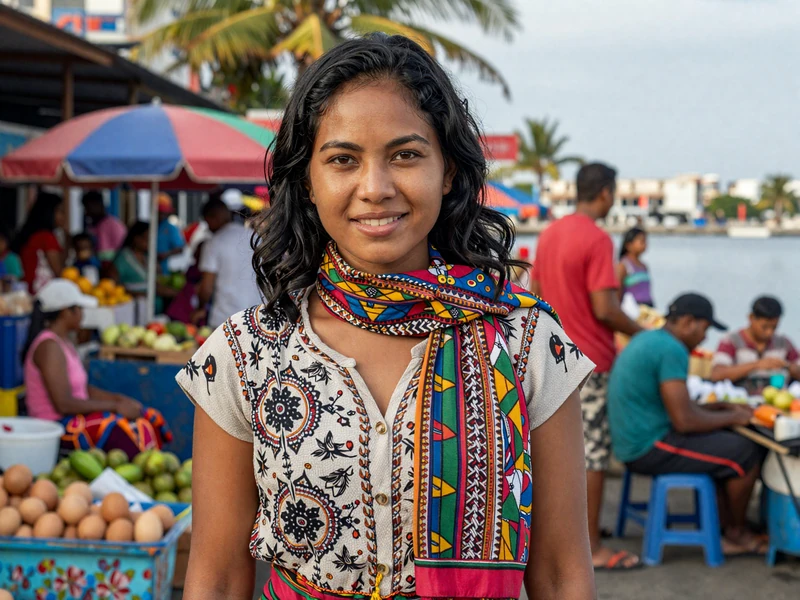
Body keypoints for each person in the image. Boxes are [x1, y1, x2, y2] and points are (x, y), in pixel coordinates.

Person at [175, 34, 595, 600]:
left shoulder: (527, 344)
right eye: (343, 160)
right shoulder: (244, 355)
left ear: (447, 172)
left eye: (406, 155)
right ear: (308, 180)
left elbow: (562, 572)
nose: (375, 189)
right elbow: (219, 579)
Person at [530, 162, 643, 570]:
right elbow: (604, 307)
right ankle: (590, 547)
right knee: (592, 455)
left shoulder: (550, 234)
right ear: (607, 194)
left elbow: (535, 295)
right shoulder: (597, 239)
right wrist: (643, 332)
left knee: (555, 456)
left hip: (554, 360)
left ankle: (557, 542)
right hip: (591, 363)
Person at [608, 293, 767, 555]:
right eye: (704, 329)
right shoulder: (672, 349)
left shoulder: (649, 338)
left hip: (632, 440)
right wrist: (734, 416)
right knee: (745, 452)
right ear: (688, 322)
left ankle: (724, 524)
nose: (705, 338)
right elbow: (684, 421)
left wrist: (718, 408)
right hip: (648, 446)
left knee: (725, 440)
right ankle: (735, 534)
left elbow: (678, 407)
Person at [22, 279, 172, 457]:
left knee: (147, 417)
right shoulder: (49, 346)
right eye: (79, 309)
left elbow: (82, 389)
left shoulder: (64, 342)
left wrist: (120, 400)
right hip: (55, 427)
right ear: (66, 312)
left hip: (71, 417)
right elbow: (64, 404)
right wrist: (115, 407)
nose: (82, 315)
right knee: (122, 430)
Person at [711, 296, 800, 394]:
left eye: (774, 327)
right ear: (751, 318)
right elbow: (717, 374)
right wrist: (756, 365)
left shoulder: (784, 343)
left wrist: (788, 367)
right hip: (738, 404)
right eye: (764, 327)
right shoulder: (731, 341)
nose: (769, 332)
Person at [197, 194, 262, 328]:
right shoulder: (255, 238)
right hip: (258, 317)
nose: (207, 226)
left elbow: (206, 287)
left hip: (226, 320)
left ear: (212, 217)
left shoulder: (213, 243)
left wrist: (200, 307)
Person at [12, 192, 66, 294]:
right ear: (49, 212)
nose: (63, 217)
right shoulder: (46, 237)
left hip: (26, 290)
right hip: (40, 292)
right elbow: (59, 271)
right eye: (60, 211)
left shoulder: (32, 234)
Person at [82, 190, 127, 263]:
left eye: (88, 208)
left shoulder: (114, 225)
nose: (87, 212)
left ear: (98, 205)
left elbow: (123, 251)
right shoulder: (92, 227)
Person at [617, 226, 654, 308]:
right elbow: (617, 294)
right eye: (641, 241)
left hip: (647, 308)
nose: (645, 244)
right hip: (633, 309)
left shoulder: (644, 266)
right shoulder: (623, 266)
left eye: (645, 241)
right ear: (629, 245)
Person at [156, 193, 185, 274]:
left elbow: (180, 248)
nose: (160, 215)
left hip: (163, 268)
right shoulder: (148, 226)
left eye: (163, 212)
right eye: (159, 212)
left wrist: (165, 255)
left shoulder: (171, 228)